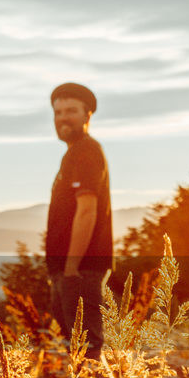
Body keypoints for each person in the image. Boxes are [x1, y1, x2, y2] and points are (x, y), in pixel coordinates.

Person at [45, 82, 112, 362]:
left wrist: (71, 267)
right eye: (58, 112)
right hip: (70, 269)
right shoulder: (73, 153)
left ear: (87, 116)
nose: (63, 118)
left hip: (80, 269)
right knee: (73, 348)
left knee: (86, 347)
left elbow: (87, 210)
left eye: (71, 111)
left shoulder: (86, 151)